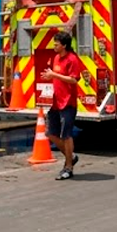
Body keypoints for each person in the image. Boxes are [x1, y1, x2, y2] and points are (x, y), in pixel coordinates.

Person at [41, 31, 83, 180]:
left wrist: (55, 75)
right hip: (56, 103)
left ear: (64, 45)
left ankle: (68, 167)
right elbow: (55, 76)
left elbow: (73, 80)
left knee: (66, 135)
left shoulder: (72, 59)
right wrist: (49, 76)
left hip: (68, 103)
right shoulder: (56, 58)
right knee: (50, 134)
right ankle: (71, 156)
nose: (54, 46)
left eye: (56, 44)